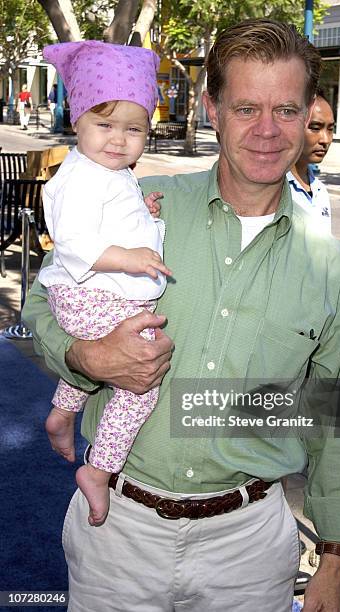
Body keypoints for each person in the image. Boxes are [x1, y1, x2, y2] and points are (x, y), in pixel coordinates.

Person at [23, 19, 340, 612]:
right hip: (118, 533)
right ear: (212, 108)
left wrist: (333, 559)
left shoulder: (331, 267)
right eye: (245, 108)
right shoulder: (143, 207)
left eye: (287, 110)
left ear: (309, 111)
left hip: (250, 550)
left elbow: (336, 418)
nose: (267, 131)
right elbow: (40, 305)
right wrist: (86, 356)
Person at [39, 41, 171, 527]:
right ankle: (99, 469)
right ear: (76, 121)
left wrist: (144, 214)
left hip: (90, 297)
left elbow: (113, 219)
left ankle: (62, 410)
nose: (119, 139)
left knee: (100, 350)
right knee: (142, 379)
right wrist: (129, 257)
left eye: (134, 129)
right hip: (91, 292)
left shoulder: (107, 172)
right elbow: (73, 242)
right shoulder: (81, 178)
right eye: (105, 124)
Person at [287, 92, 334, 232]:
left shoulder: (321, 192)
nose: (325, 139)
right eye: (315, 128)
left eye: (330, 129)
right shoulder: (272, 191)